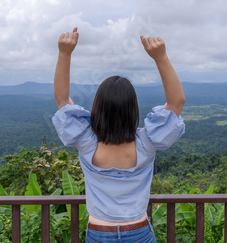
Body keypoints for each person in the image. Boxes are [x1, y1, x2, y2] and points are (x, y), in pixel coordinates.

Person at [52, 27, 185, 243]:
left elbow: (62, 100)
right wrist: (160, 57)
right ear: (132, 109)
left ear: (98, 107)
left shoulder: (86, 142)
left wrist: (64, 53)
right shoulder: (146, 143)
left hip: (99, 233)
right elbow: (176, 102)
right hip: (139, 231)